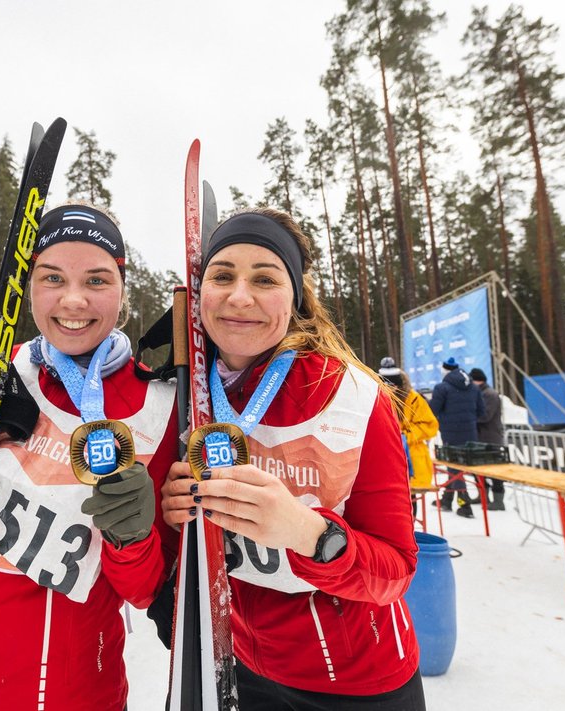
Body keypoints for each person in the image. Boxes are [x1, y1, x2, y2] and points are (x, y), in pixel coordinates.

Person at [0, 203, 177, 710]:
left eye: (96, 280)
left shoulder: (158, 407)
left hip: (83, 689)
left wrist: (134, 537)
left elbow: (144, 591)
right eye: (52, 278)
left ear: (122, 287)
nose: (73, 300)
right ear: (29, 286)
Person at [161, 209, 424, 709]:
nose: (240, 296)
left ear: (294, 296)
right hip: (237, 665)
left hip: (357, 681)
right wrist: (175, 512)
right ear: (199, 295)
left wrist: (309, 535)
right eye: (222, 276)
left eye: (264, 278)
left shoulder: (353, 395)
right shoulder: (183, 396)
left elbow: (396, 570)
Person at [379, 357, 439, 516]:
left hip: (410, 459)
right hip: (384, 459)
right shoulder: (375, 398)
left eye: (393, 386)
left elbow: (429, 425)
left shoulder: (414, 399)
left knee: (409, 502)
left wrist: (405, 436)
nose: (391, 390)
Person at [429, 357, 485, 519]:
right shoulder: (473, 388)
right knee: (455, 467)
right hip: (470, 433)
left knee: (454, 467)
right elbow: (482, 411)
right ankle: (447, 499)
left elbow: (433, 410)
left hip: (450, 433)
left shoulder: (442, 388)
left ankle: (464, 504)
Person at [470, 367, 506, 511]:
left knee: (495, 472)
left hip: (491, 438)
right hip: (481, 437)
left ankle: (498, 500)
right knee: (478, 470)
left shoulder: (490, 394)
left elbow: (486, 416)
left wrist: (469, 419)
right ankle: (483, 495)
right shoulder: (480, 393)